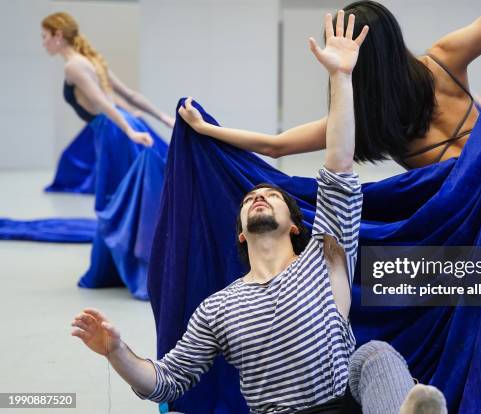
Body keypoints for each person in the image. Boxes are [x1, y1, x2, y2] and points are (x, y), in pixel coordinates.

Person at [71, 13, 446, 414]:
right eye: (251, 198)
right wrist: (116, 352)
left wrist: (341, 78)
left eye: (273, 196)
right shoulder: (218, 308)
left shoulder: (326, 260)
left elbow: (339, 163)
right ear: (240, 234)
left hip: (339, 405)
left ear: (295, 224)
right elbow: (164, 382)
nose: (259, 197)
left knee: (373, 353)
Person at [179, 0, 481, 169]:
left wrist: (207, 129)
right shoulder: (445, 59)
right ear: (394, 38)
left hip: (461, 220)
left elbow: (274, 146)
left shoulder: (360, 119)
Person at [41, 12, 174, 146]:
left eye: (44, 36)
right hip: (115, 124)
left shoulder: (73, 66)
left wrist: (129, 130)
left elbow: (102, 102)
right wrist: (163, 118)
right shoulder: (91, 61)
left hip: (113, 128)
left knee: (71, 164)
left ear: (58, 35)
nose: (44, 43)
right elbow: (126, 96)